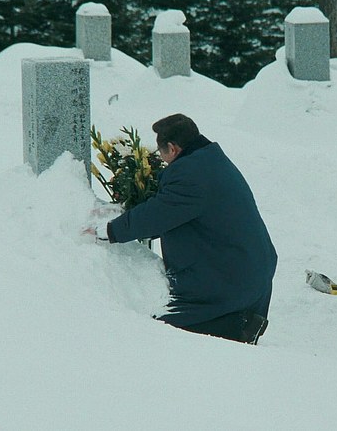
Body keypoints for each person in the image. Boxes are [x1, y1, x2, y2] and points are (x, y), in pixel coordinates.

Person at [94, 113, 277, 344]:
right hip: (247, 266)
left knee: (157, 329)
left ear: (172, 148)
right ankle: (241, 325)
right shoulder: (210, 160)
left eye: (161, 152)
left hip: (231, 276)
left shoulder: (190, 174)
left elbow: (158, 214)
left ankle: (240, 327)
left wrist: (110, 230)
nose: (161, 158)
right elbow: (173, 213)